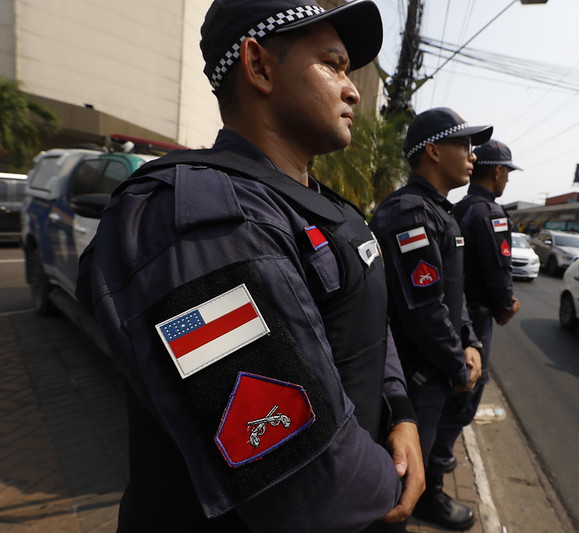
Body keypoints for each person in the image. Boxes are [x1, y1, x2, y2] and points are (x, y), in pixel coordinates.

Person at [74, 1, 423, 531]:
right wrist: (391, 480)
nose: (351, 89)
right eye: (331, 64)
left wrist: (400, 413)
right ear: (258, 66)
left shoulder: (328, 208)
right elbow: (312, 484)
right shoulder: (198, 220)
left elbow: (369, 321)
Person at [370, 107, 492, 531]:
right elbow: (424, 310)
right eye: (463, 144)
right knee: (397, 484)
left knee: (416, 473)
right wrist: (458, 365)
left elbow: (451, 294)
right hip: (410, 377)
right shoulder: (410, 214)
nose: (472, 154)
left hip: (433, 372)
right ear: (434, 151)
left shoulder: (439, 212)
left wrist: (471, 342)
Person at [430, 139, 522, 477]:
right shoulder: (491, 214)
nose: (508, 180)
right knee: (466, 392)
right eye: (507, 173)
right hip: (477, 316)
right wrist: (505, 305)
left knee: (451, 388)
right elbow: (500, 270)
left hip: (456, 311)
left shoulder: (460, 207)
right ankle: (436, 469)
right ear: (497, 172)